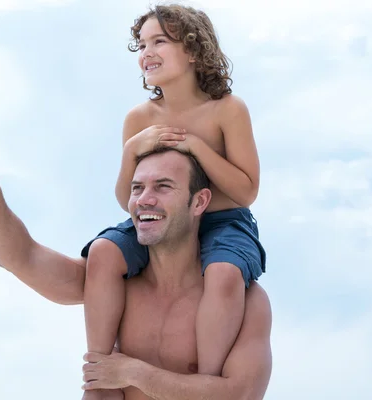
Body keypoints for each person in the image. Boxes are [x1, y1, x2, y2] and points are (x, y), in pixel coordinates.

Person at [0, 128, 272, 399]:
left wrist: (134, 372)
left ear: (199, 201)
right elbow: (20, 257)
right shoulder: (111, 284)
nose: (144, 199)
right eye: (137, 188)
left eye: (163, 186)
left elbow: (239, 395)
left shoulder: (242, 300)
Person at [82, 5, 266, 398]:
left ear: (195, 52)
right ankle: (101, 374)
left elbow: (247, 190)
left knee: (224, 275)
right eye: (142, 44)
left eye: (160, 41)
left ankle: (205, 380)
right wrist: (132, 149)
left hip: (226, 221)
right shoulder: (139, 118)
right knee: (102, 252)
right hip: (161, 222)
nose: (146, 51)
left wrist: (195, 146)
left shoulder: (227, 110)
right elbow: (125, 199)